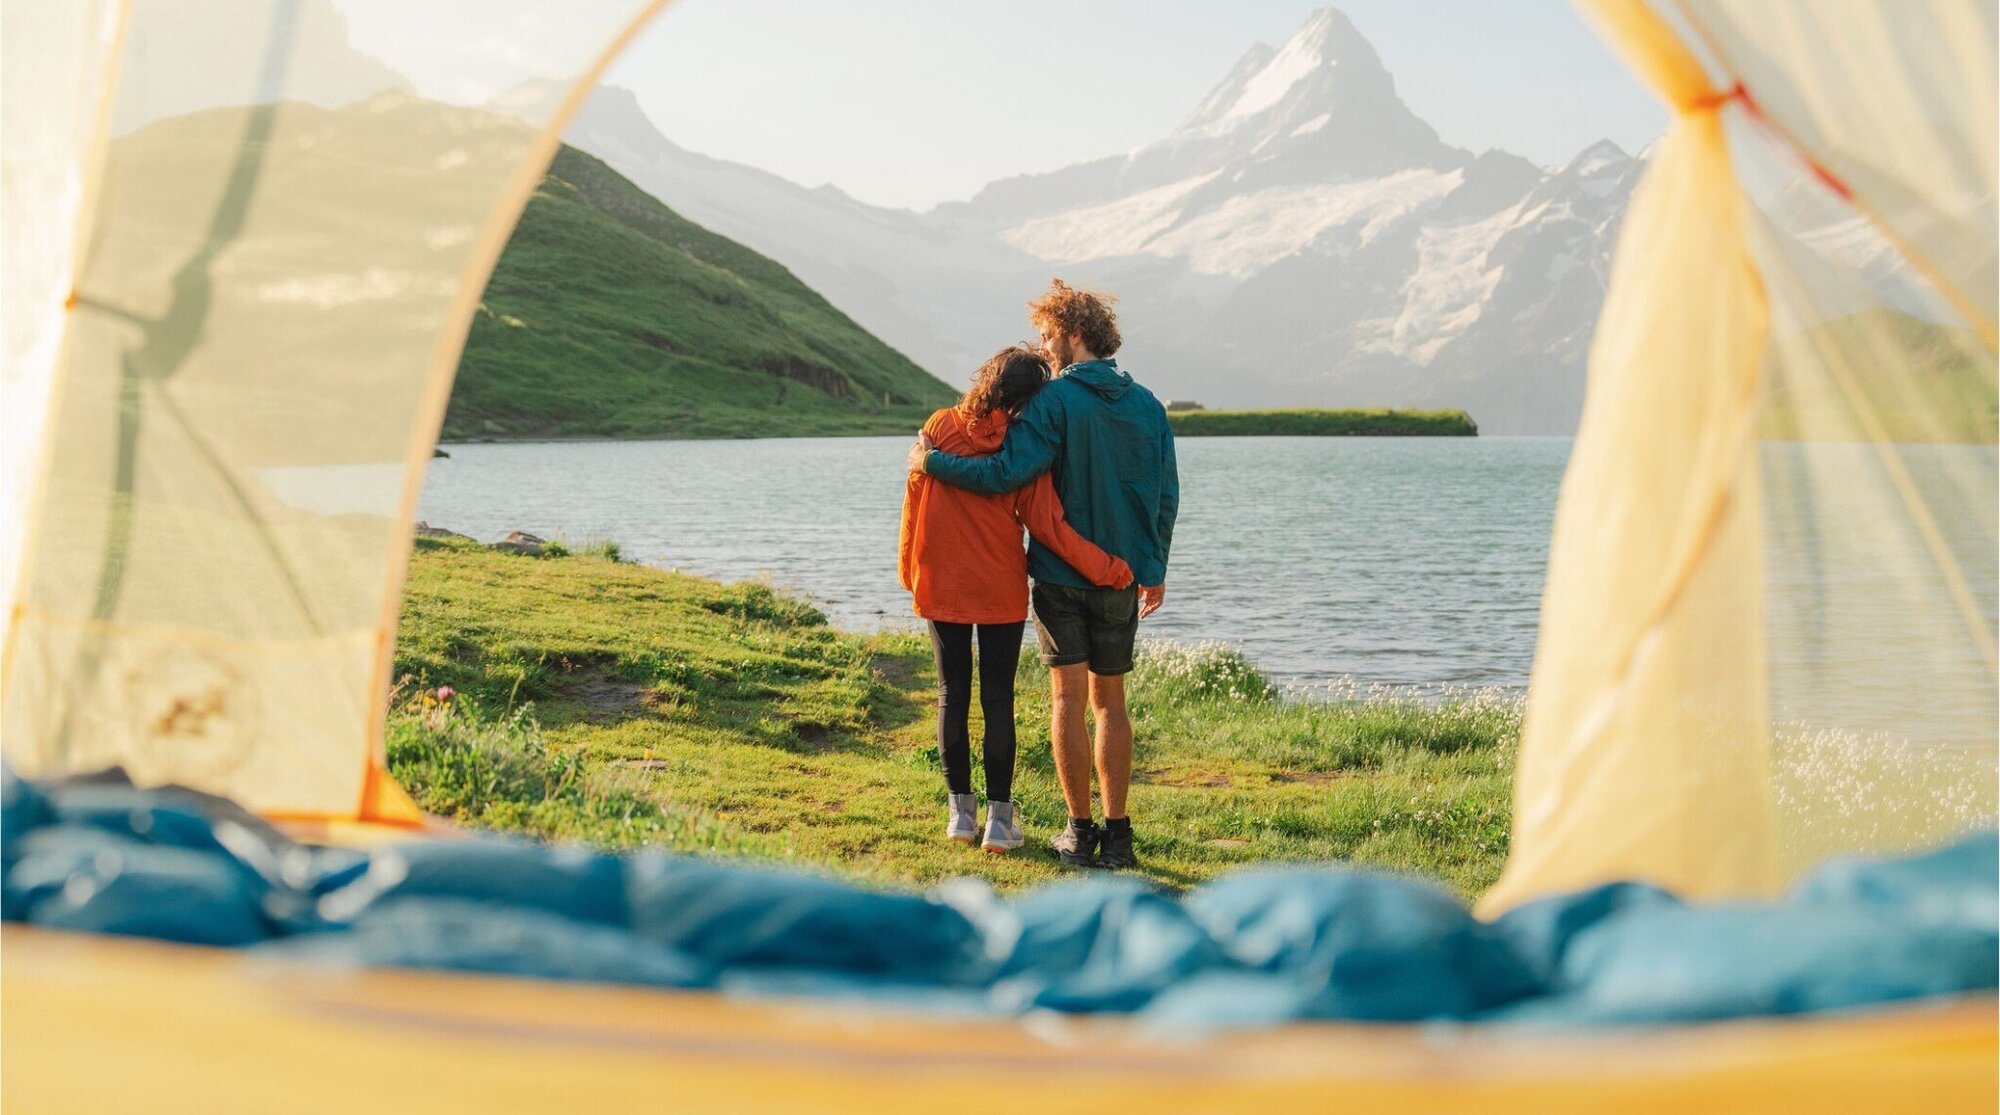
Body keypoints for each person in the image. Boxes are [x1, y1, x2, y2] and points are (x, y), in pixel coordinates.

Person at [908, 279, 1178, 870]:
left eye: (1051, 335)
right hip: (1124, 578)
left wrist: (932, 460)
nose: (1046, 347)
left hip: (1059, 577)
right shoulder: (1150, 406)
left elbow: (1007, 472)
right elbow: (1165, 495)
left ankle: (1079, 834)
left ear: (1076, 334)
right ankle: (1119, 836)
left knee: (1068, 699)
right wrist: (1152, 568)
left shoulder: (1053, 402)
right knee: (1112, 703)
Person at [899, 344, 1134, 854]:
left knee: (950, 696)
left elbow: (914, 504)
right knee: (997, 699)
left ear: (988, 378)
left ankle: (961, 815)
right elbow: (1050, 528)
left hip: (939, 585)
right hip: (1000, 589)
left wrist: (910, 574)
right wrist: (1110, 569)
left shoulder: (938, 427)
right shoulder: (1021, 447)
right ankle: (999, 824)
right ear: (1032, 399)